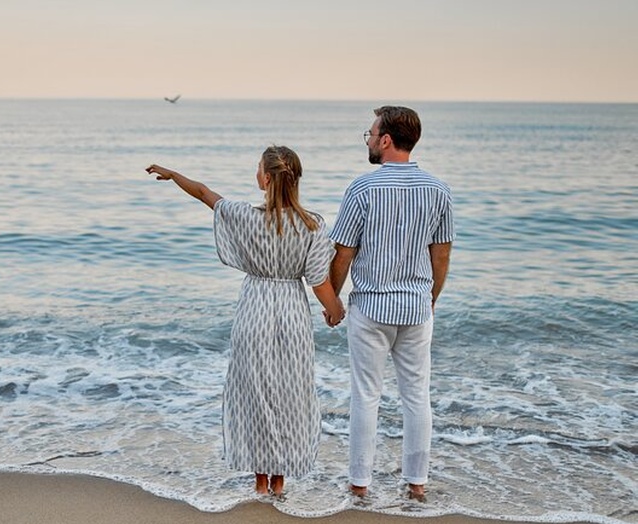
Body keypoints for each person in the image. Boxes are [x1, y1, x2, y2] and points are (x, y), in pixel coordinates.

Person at [146, 145, 345, 498]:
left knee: (255, 393)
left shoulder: (245, 216)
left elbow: (205, 193)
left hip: (254, 310)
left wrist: (174, 174)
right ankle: (280, 480)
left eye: (258, 168)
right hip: (291, 313)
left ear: (266, 179)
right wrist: (335, 309)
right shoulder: (313, 225)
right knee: (289, 396)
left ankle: (259, 482)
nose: (255, 173)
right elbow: (318, 281)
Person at [328, 106, 454, 502]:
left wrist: (331, 299)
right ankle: (416, 484)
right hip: (416, 308)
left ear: (385, 140)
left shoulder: (362, 190)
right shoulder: (438, 190)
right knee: (417, 395)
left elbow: (344, 252)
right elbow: (442, 254)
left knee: (366, 395)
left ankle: (360, 485)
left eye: (369, 133)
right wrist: (430, 297)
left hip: (371, 308)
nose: (367, 139)